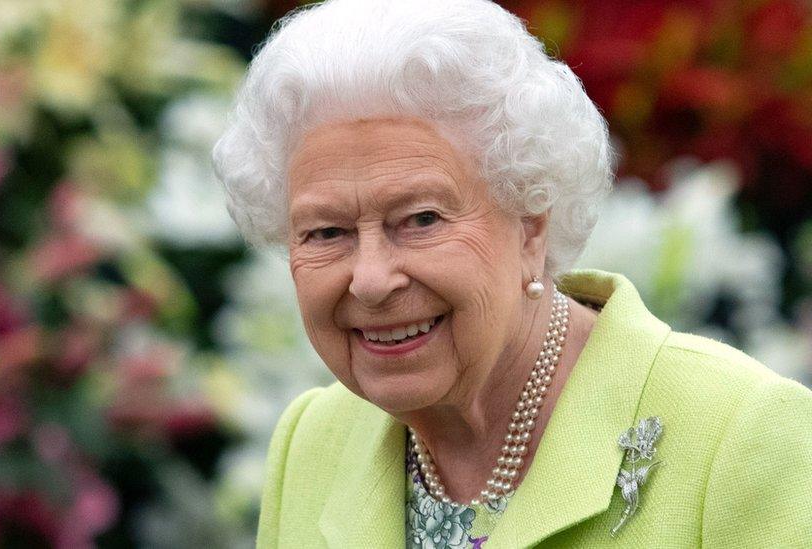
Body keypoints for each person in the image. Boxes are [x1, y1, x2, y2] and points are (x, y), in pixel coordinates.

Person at [211, 0, 812, 547]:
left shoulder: (746, 436)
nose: (369, 279)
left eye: (420, 219)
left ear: (531, 223)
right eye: (326, 232)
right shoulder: (312, 441)